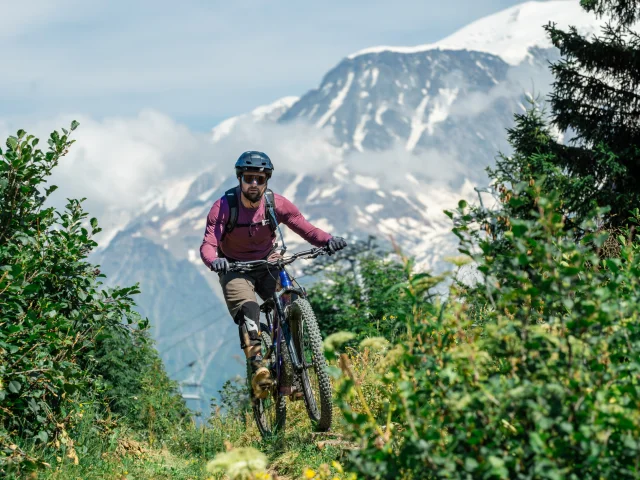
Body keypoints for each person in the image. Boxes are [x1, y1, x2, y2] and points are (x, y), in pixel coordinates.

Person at [199, 151, 347, 398]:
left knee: (290, 302)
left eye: (259, 179)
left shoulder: (276, 204)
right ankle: (258, 368)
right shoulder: (224, 207)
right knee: (249, 309)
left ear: (266, 180)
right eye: (248, 178)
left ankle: (293, 375)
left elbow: (307, 229)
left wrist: (329, 240)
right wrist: (215, 262)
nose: (254, 184)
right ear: (240, 179)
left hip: (267, 262)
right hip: (235, 268)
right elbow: (208, 243)